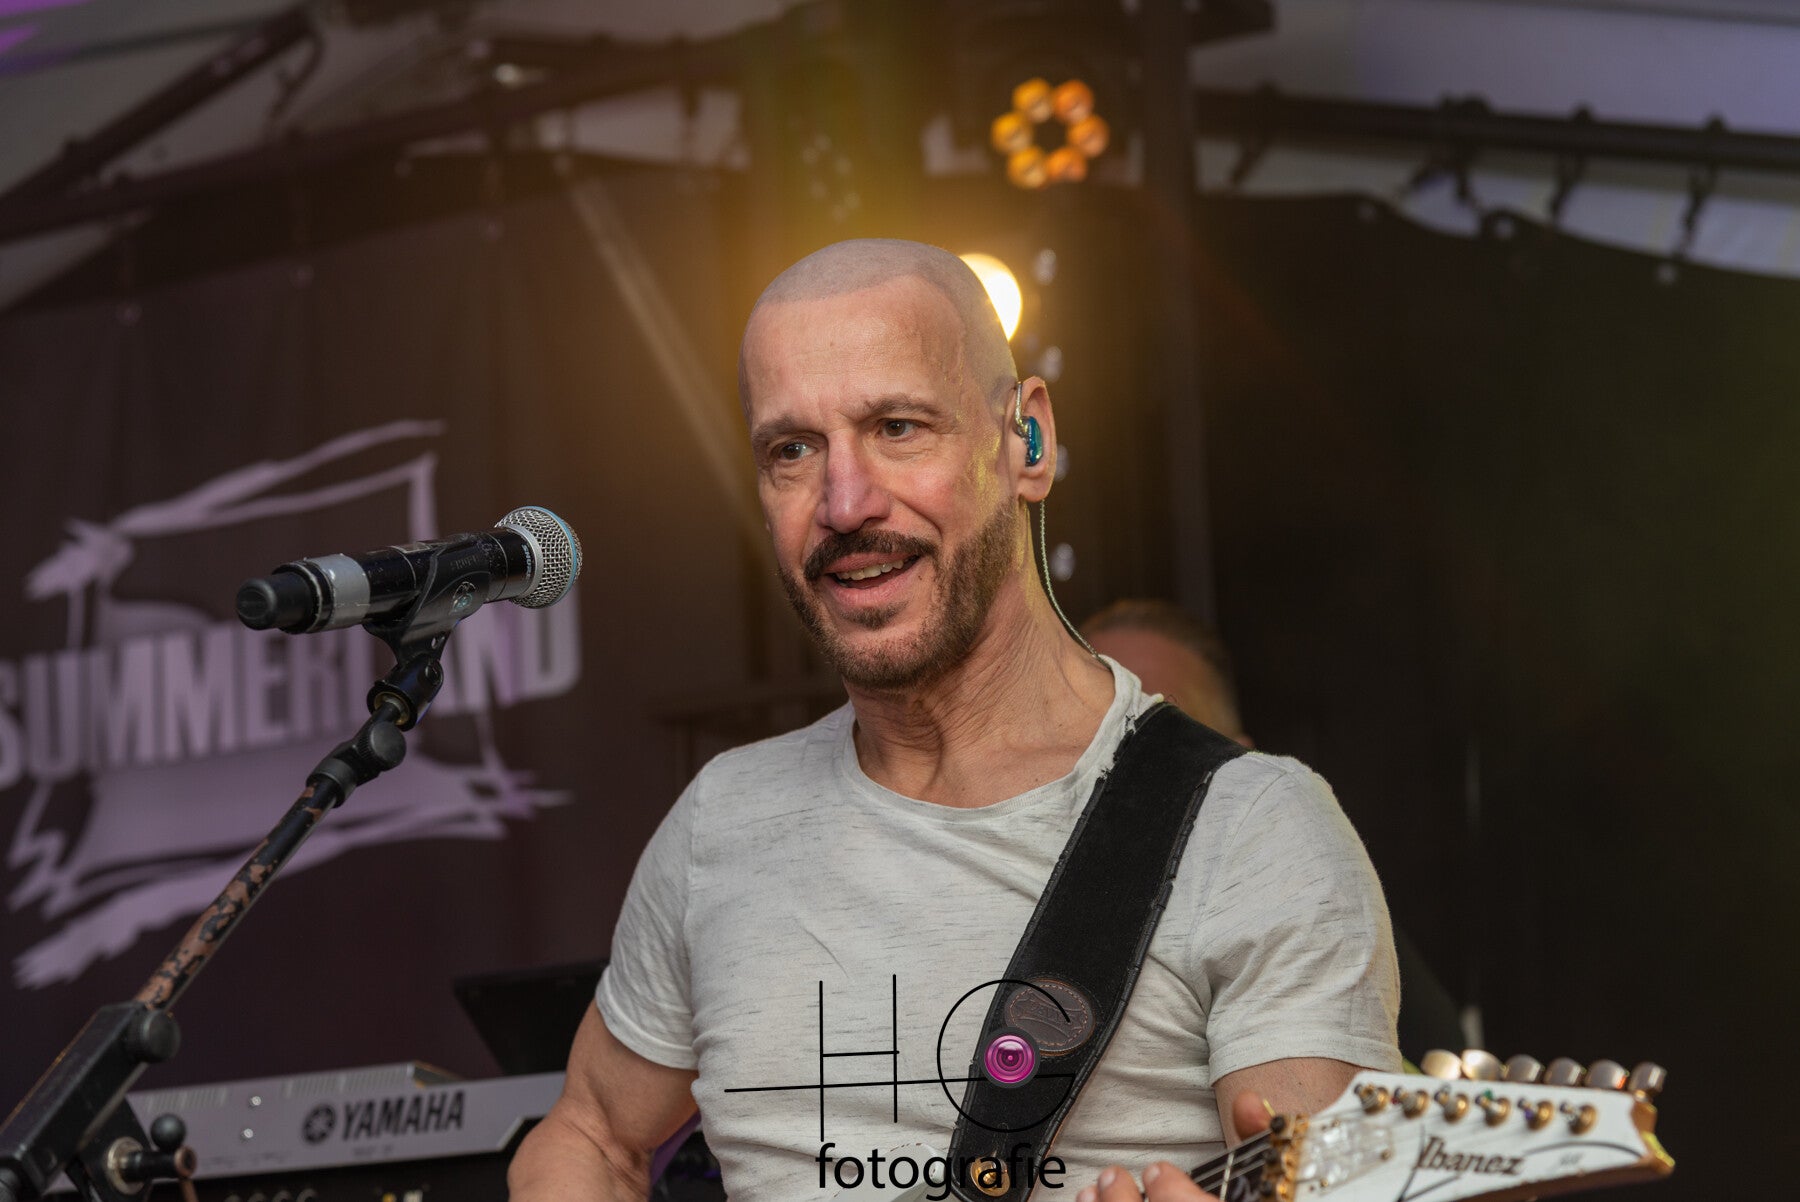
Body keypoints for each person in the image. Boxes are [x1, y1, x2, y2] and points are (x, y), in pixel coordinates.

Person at [508, 240, 1401, 1202]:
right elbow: (586, 1136)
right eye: (792, 450)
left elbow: (1326, 1181)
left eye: (897, 427)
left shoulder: (1253, 831)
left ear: (1027, 443)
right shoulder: (723, 817)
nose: (844, 504)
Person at [1081, 599, 1466, 1064]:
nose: (1118, 751)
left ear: (1241, 763)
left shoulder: (1311, 904)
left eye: (1160, 729)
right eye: (1086, 724)